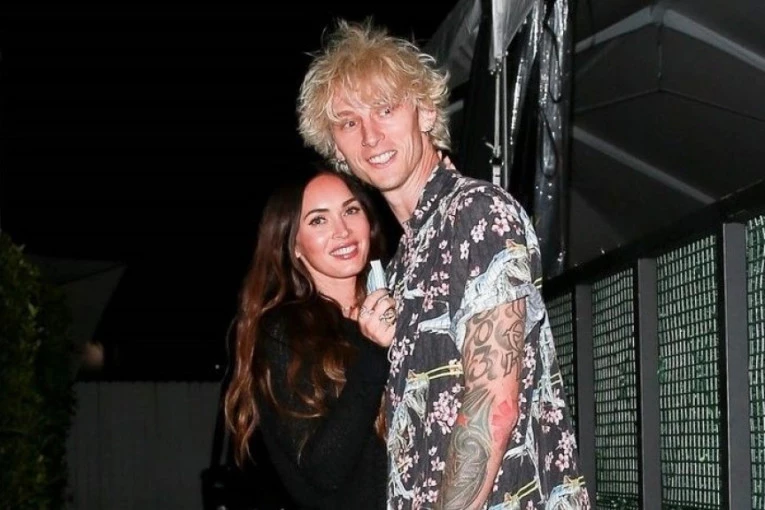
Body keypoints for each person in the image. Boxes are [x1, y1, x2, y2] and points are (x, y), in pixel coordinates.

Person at [297, 19, 591, 510]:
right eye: (349, 123)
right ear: (337, 149)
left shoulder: (475, 214)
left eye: (386, 108)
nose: (370, 136)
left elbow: (492, 408)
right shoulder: (406, 258)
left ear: (427, 111)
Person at [224, 167, 398, 510]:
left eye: (351, 210)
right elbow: (324, 469)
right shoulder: (284, 333)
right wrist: (374, 354)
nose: (342, 231)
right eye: (319, 220)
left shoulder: (400, 298)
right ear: (294, 245)